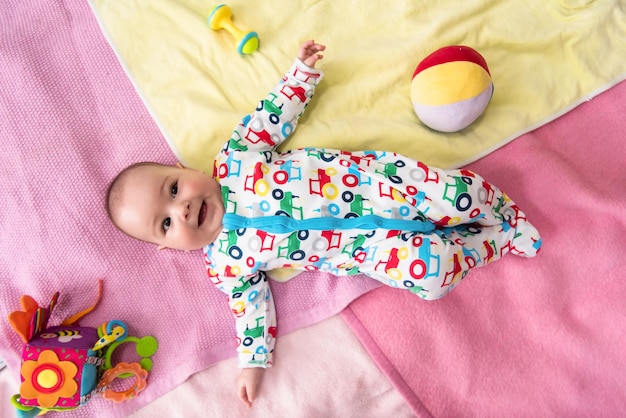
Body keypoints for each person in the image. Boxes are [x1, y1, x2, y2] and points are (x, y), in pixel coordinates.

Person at [106, 40, 541, 407]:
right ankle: (496, 241)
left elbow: (269, 119)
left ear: (184, 169)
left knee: (458, 195)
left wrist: (298, 77)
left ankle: (498, 210)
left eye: (173, 189)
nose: (180, 210)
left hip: (382, 185)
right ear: (168, 247)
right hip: (372, 250)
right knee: (429, 277)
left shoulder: (237, 160)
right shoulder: (227, 265)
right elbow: (251, 309)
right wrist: (253, 360)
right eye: (164, 224)